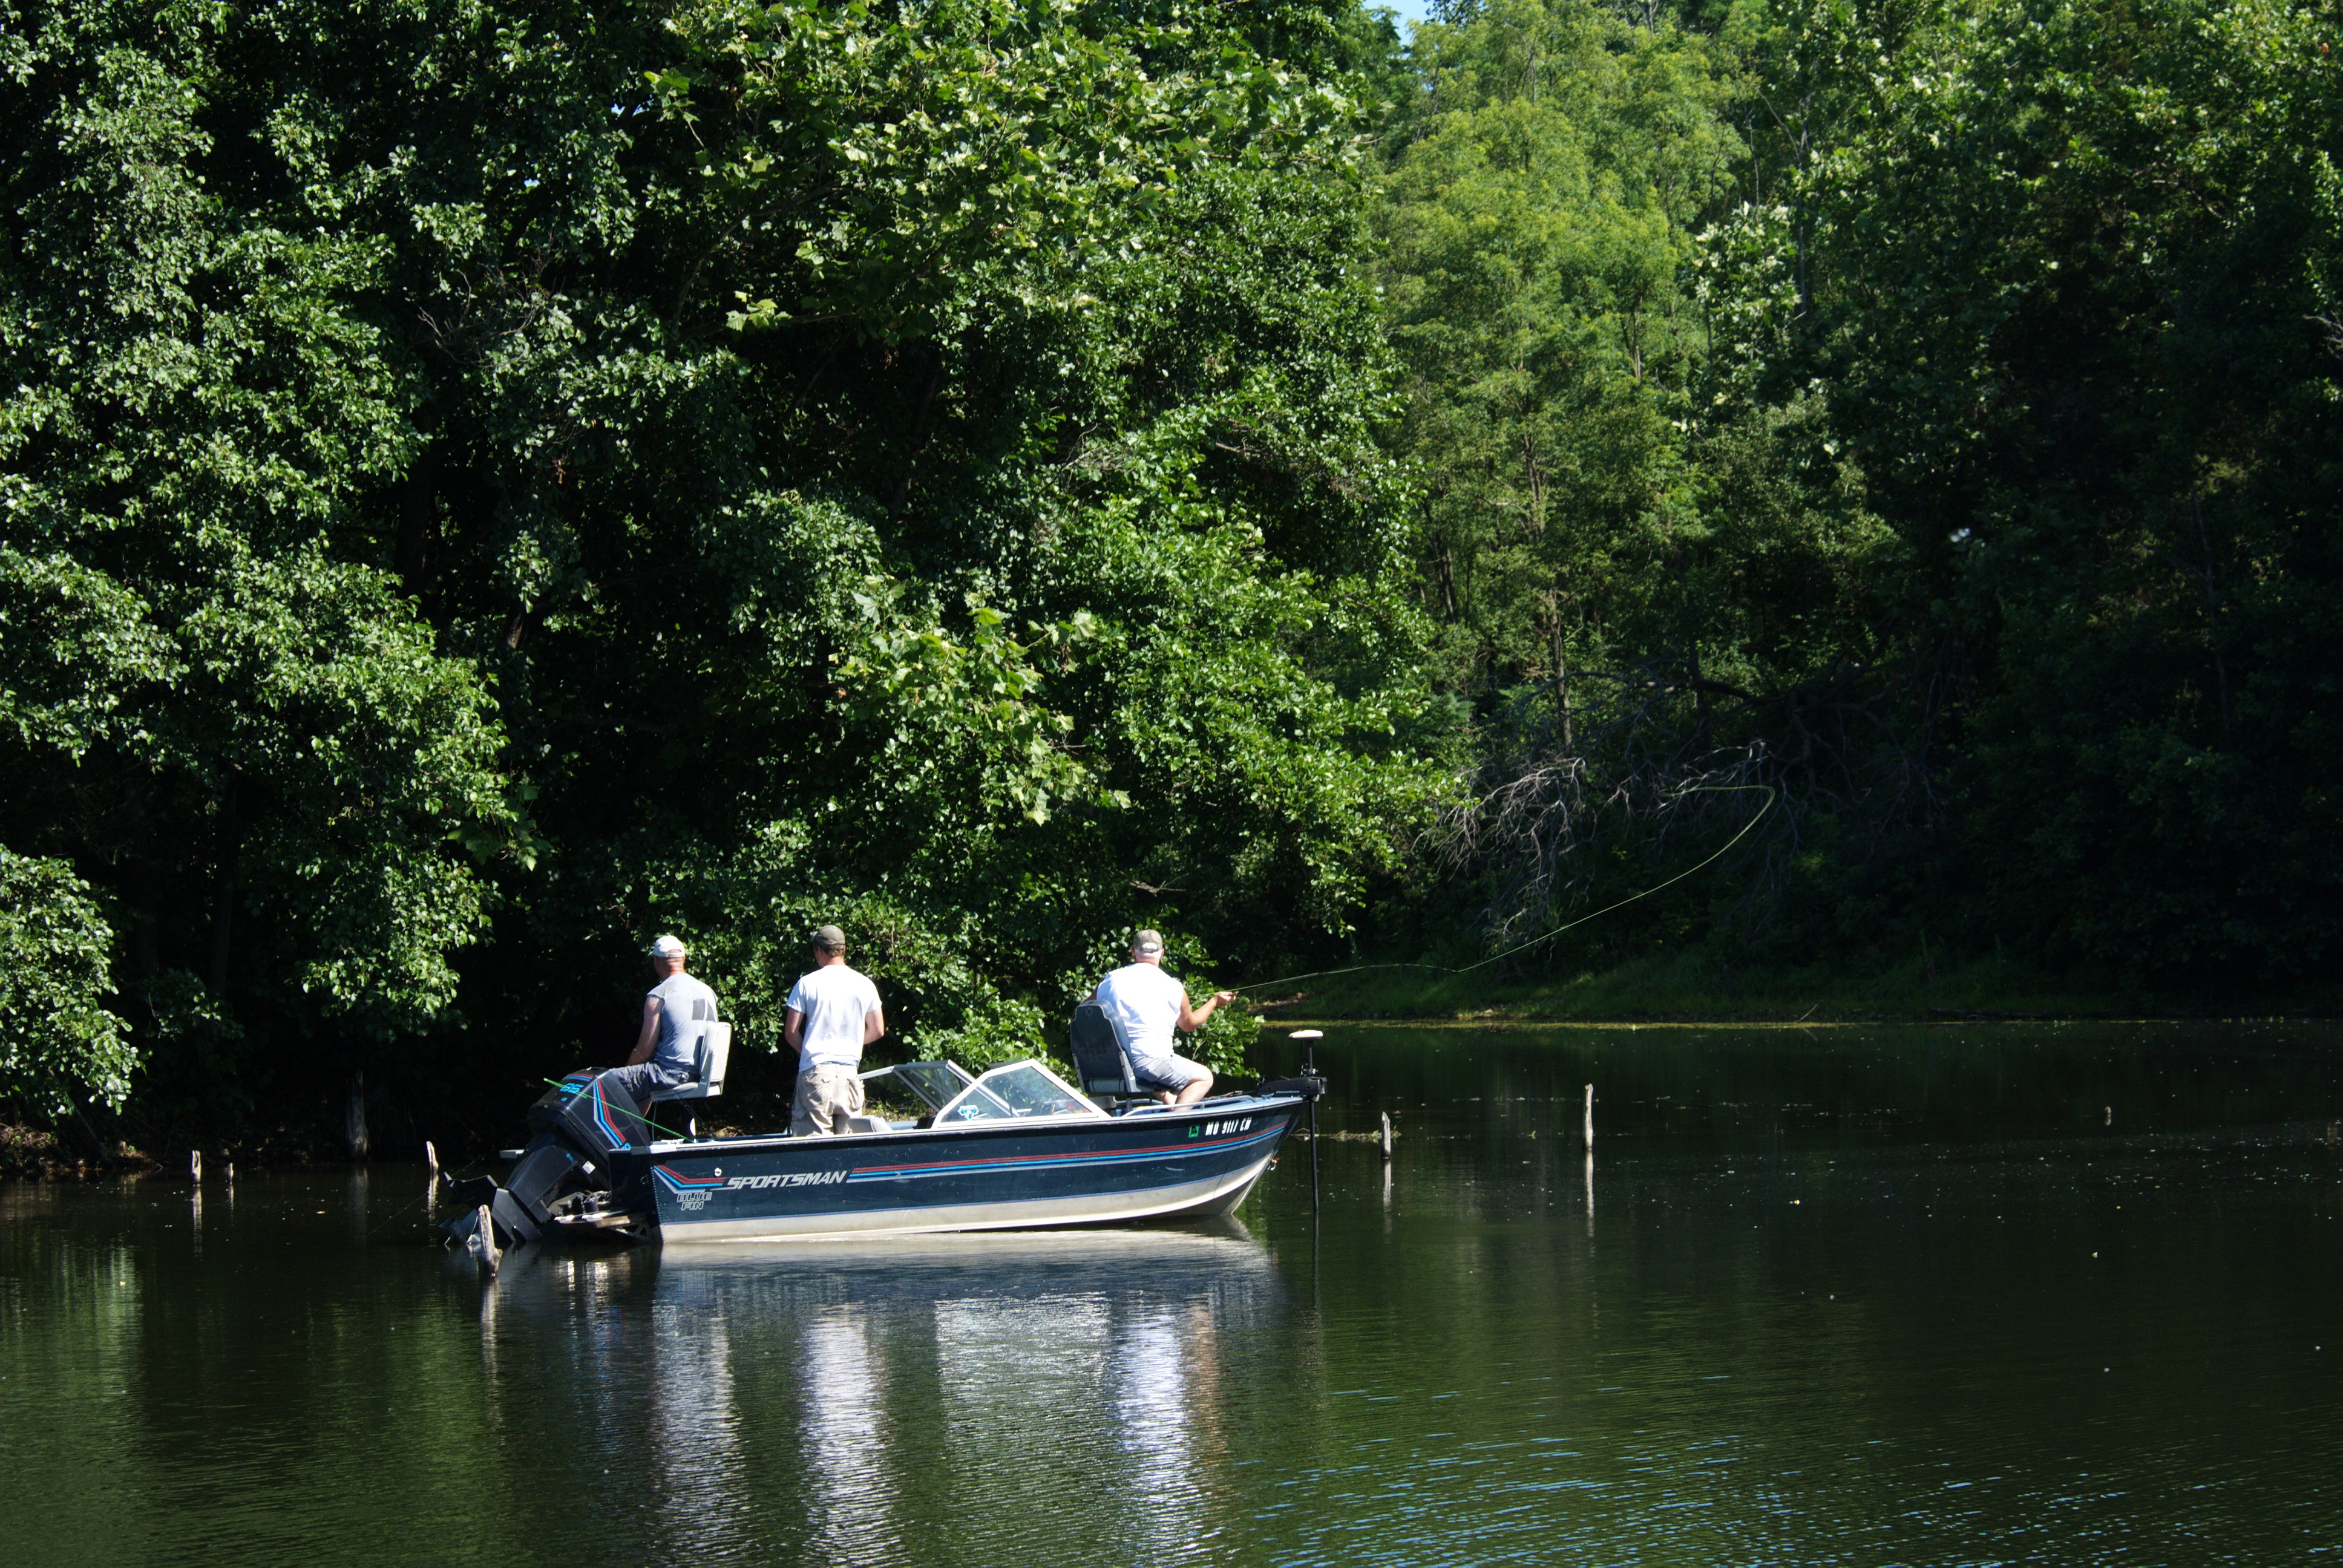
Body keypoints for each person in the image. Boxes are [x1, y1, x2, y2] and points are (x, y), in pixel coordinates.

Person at [1089, 929, 1234, 1106]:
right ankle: (1178, 1121)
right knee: (1204, 1078)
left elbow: (1084, 1010)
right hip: (1145, 1064)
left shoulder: (1110, 980)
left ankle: (1168, 1100)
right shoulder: (1174, 987)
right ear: (1162, 954)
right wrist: (1214, 1001)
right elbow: (1189, 1025)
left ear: (1133, 952)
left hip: (1108, 1063)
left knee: (1149, 1062)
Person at [785, 924, 885, 1135]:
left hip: (816, 1073)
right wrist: (852, 1043)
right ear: (844, 949)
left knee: (813, 1149)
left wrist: (808, 1054)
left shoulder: (806, 983)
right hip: (850, 1074)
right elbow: (878, 1030)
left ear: (820, 950)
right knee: (848, 1148)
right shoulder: (865, 984)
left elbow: (791, 1032)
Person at [611, 934, 720, 1105]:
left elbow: (643, 1052)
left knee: (603, 1083)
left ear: (656, 961)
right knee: (643, 1083)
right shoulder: (707, 991)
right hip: (702, 1074)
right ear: (683, 958)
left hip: (670, 1073)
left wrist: (626, 1072)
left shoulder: (660, 994)